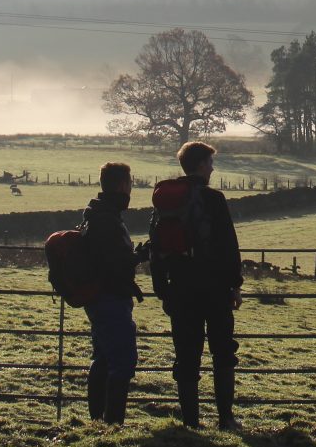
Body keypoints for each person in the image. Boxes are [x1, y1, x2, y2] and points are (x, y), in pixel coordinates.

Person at [152, 141, 245, 430]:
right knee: (223, 352)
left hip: (180, 288)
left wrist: (162, 290)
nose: (213, 168)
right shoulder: (213, 199)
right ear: (202, 165)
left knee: (187, 356)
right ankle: (226, 419)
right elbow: (229, 246)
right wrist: (235, 285)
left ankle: (191, 422)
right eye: (210, 162)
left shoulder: (167, 200)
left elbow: (157, 247)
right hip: (214, 288)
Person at [83, 162, 146, 424]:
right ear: (122, 185)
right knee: (122, 360)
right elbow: (114, 263)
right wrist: (138, 258)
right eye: (129, 184)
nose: (130, 190)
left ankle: (99, 420)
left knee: (104, 358)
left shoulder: (97, 214)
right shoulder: (107, 220)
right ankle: (113, 422)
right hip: (110, 297)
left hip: (100, 296)